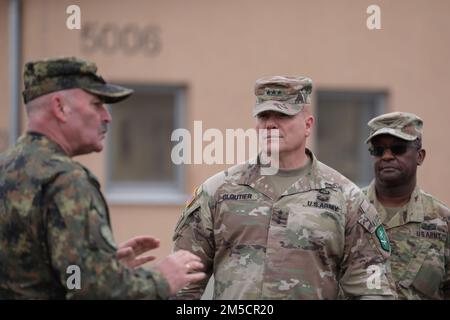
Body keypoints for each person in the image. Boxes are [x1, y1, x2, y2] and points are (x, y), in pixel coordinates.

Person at [0, 57, 205, 299]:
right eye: (96, 104)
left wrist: (103, 266)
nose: (107, 117)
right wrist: (161, 279)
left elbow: (50, 275)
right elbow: (92, 290)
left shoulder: (7, 167)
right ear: (60, 107)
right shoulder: (65, 179)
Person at [172, 75, 394, 299]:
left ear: (308, 125)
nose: (270, 123)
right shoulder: (218, 191)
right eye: (263, 115)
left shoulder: (345, 198)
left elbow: (372, 289)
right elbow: (183, 286)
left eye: (282, 115)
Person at [362, 112, 450, 299]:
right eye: (378, 150)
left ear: (420, 156)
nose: (386, 156)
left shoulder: (443, 220)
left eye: (398, 149)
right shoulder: (349, 210)